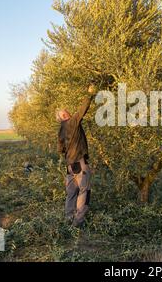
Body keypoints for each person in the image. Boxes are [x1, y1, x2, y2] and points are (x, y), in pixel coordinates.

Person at [56, 85, 97, 228]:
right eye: (68, 112)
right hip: (79, 161)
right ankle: (78, 222)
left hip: (69, 165)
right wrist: (89, 94)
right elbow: (83, 110)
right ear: (65, 116)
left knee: (71, 193)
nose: (70, 113)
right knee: (83, 190)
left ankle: (68, 219)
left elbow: (60, 149)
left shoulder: (60, 130)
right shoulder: (72, 122)